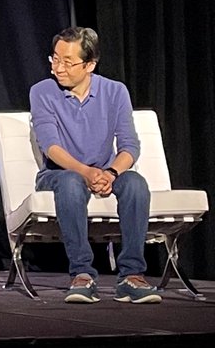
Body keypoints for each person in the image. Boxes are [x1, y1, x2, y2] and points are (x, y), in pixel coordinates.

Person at [30, 26, 159, 303]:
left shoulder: (114, 92)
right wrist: (86, 171)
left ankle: (132, 275)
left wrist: (111, 172)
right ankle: (82, 274)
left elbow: (129, 145)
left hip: (104, 171)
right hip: (58, 174)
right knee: (71, 182)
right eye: (55, 58)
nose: (58, 68)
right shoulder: (42, 91)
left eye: (68, 61)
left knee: (135, 183)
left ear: (89, 65)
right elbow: (50, 146)